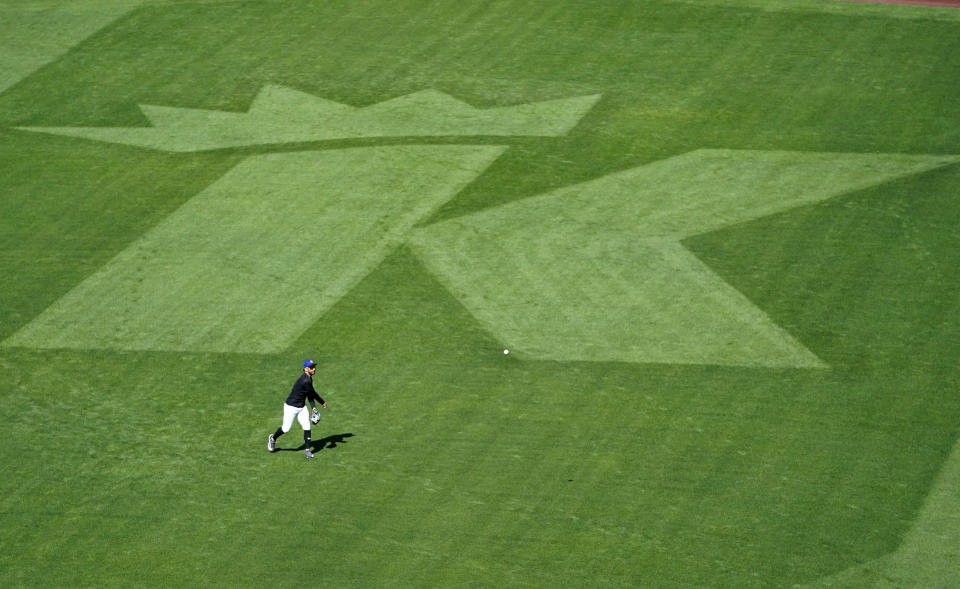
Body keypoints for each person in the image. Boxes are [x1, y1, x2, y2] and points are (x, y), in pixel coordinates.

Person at [268, 359, 327, 458]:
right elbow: (313, 394)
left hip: (302, 407)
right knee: (286, 429)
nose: (314, 369)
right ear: (305, 369)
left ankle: (307, 450)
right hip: (290, 407)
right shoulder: (305, 380)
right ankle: (273, 438)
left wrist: (314, 408)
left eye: (314, 367)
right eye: (311, 368)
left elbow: (309, 395)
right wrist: (322, 402)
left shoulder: (309, 378)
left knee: (307, 426)